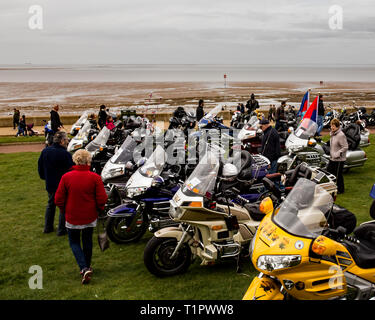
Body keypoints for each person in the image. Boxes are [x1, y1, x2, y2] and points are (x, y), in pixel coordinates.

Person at [55, 149, 108, 284]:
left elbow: (58, 198)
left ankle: (84, 268)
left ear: (75, 160)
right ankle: (87, 267)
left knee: (74, 242)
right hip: (89, 215)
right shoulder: (94, 177)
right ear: (88, 161)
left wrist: (63, 210)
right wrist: (99, 208)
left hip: (72, 214)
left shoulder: (66, 177)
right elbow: (102, 198)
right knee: (87, 240)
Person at [38, 131, 74, 235]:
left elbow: (40, 166)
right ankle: (62, 229)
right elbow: (71, 169)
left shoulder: (46, 151)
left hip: (50, 182)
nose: (67, 141)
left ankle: (48, 227)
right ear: (62, 141)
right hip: (61, 184)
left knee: (51, 204)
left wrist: (44, 177)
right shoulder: (65, 154)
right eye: (66, 139)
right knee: (63, 206)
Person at [326, 119, 348, 194]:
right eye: (331, 125)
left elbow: (345, 147)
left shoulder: (341, 135)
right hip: (332, 158)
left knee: (338, 175)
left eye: (333, 126)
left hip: (339, 159)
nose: (332, 127)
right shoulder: (332, 134)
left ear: (338, 126)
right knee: (329, 172)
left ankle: (341, 190)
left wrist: (337, 154)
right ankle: (331, 187)